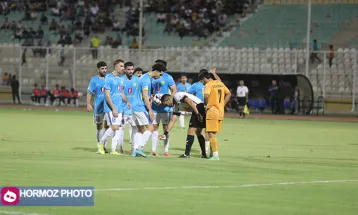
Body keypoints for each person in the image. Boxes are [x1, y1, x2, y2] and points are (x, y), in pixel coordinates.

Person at [158, 92, 207, 158]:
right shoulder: (175, 106)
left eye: (166, 104)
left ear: (168, 99)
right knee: (198, 132)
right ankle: (204, 154)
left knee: (191, 131)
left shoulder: (177, 96)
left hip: (198, 107)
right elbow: (173, 120)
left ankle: (187, 154)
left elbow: (189, 101)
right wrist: (165, 134)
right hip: (199, 108)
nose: (167, 106)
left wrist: (198, 114)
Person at [131, 63, 165, 157]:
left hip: (135, 106)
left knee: (140, 129)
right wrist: (150, 110)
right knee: (151, 127)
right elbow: (145, 96)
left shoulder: (144, 77)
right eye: (160, 74)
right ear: (156, 71)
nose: (160, 76)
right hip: (139, 107)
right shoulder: (146, 80)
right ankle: (139, 149)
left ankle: (135, 151)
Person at [201, 71, 231, 160]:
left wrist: (206, 105)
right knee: (213, 133)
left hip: (212, 111)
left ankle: (215, 155)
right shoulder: (220, 83)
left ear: (205, 79)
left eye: (203, 81)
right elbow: (229, 93)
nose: (203, 83)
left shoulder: (209, 85)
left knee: (210, 134)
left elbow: (206, 96)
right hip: (220, 112)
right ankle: (213, 154)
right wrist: (223, 104)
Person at [97, 59, 125, 155]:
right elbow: (107, 95)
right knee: (113, 127)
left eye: (123, 66)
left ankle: (113, 149)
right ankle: (100, 144)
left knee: (118, 128)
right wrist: (113, 108)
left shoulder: (121, 79)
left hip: (120, 108)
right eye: (121, 66)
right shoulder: (108, 78)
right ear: (116, 67)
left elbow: (121, 93)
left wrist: (127, 102)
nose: (123, 68)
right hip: (110, 108)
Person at [150, 59, 177, 156]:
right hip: (154, 107)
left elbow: (174, 89)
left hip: (165, 108)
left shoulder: (168, 77)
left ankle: (166, 150)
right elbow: (150, 91)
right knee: (154, 127)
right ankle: (153, 151)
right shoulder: (152, 77)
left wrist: (170, 99)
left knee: (166, 127)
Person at [119, 62, 138, 154]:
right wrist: (127, 102)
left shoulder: (137, 79)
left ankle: (134, 149)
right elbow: (121, 93)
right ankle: (120, 149)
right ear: (125, 70)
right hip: (123, 110)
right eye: (128, 69)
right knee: (121, 130)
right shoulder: (121, 80)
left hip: (134, 111)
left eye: (132, 69)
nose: (130, 71)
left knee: (135, 129)